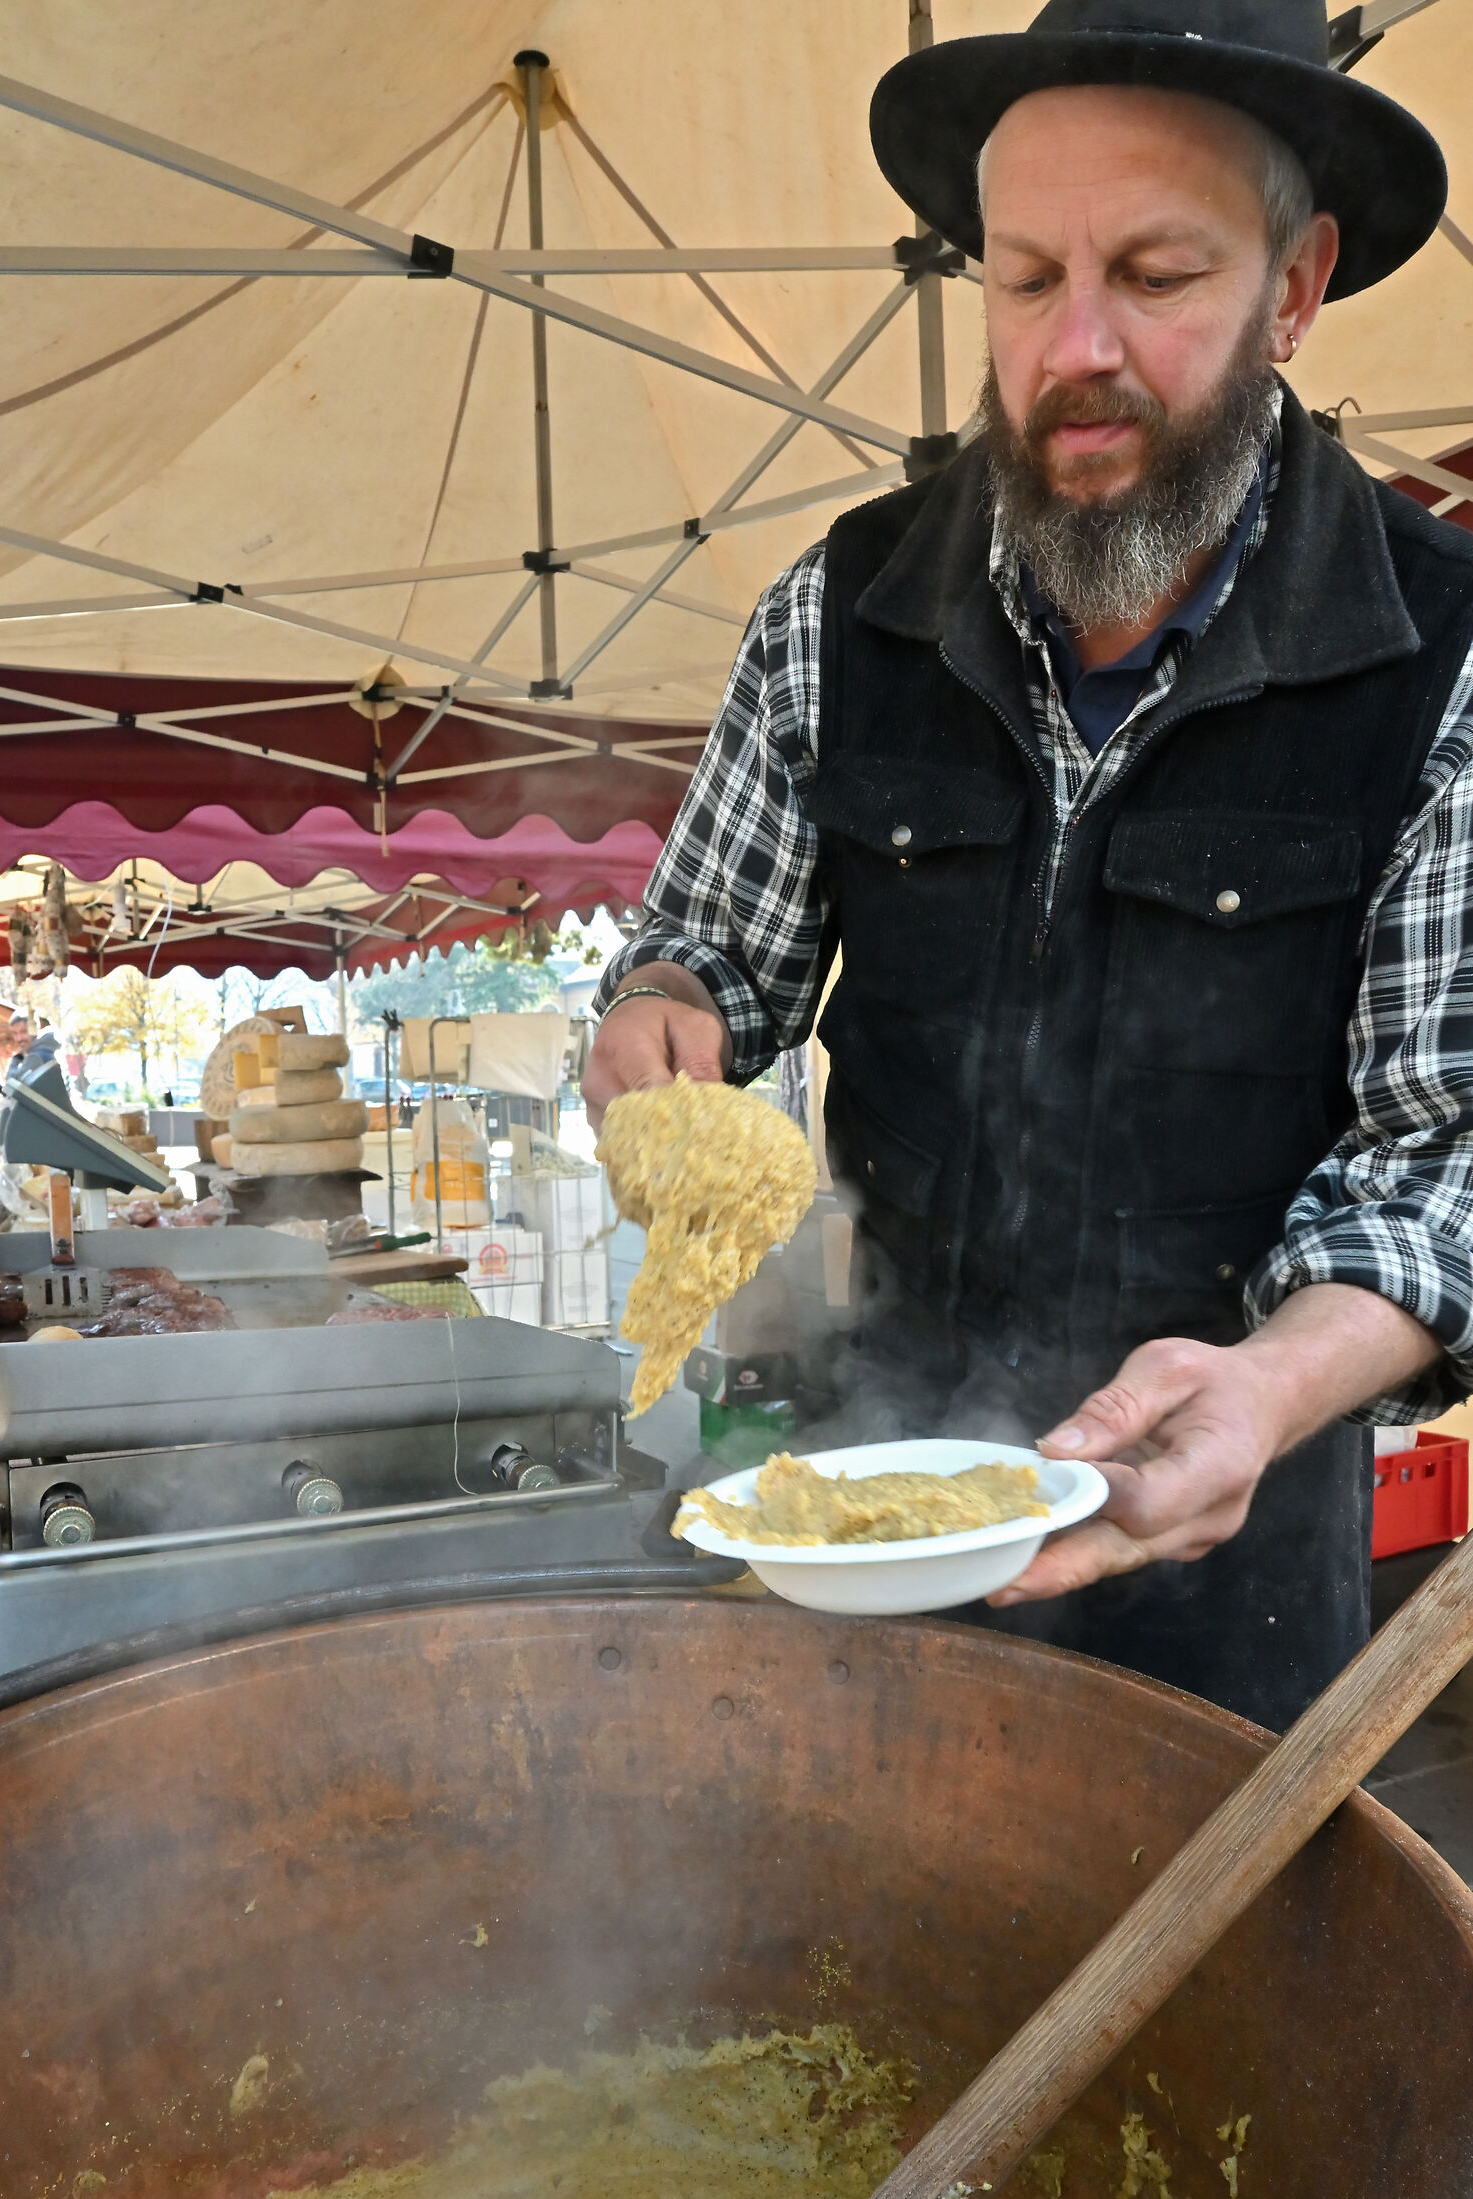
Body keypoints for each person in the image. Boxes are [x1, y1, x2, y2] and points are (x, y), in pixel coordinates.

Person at [583, 0, 1473, 1730]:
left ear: (1295, 290)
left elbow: (1449, 1146)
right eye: (1022, 277)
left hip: (1235, 1535)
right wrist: (665, 1010)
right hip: (873, 1502)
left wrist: (1272, 1381)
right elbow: (710, 949)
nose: (1077, 346)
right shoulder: (841, 616)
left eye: (1155, 275)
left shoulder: (1440, 660)